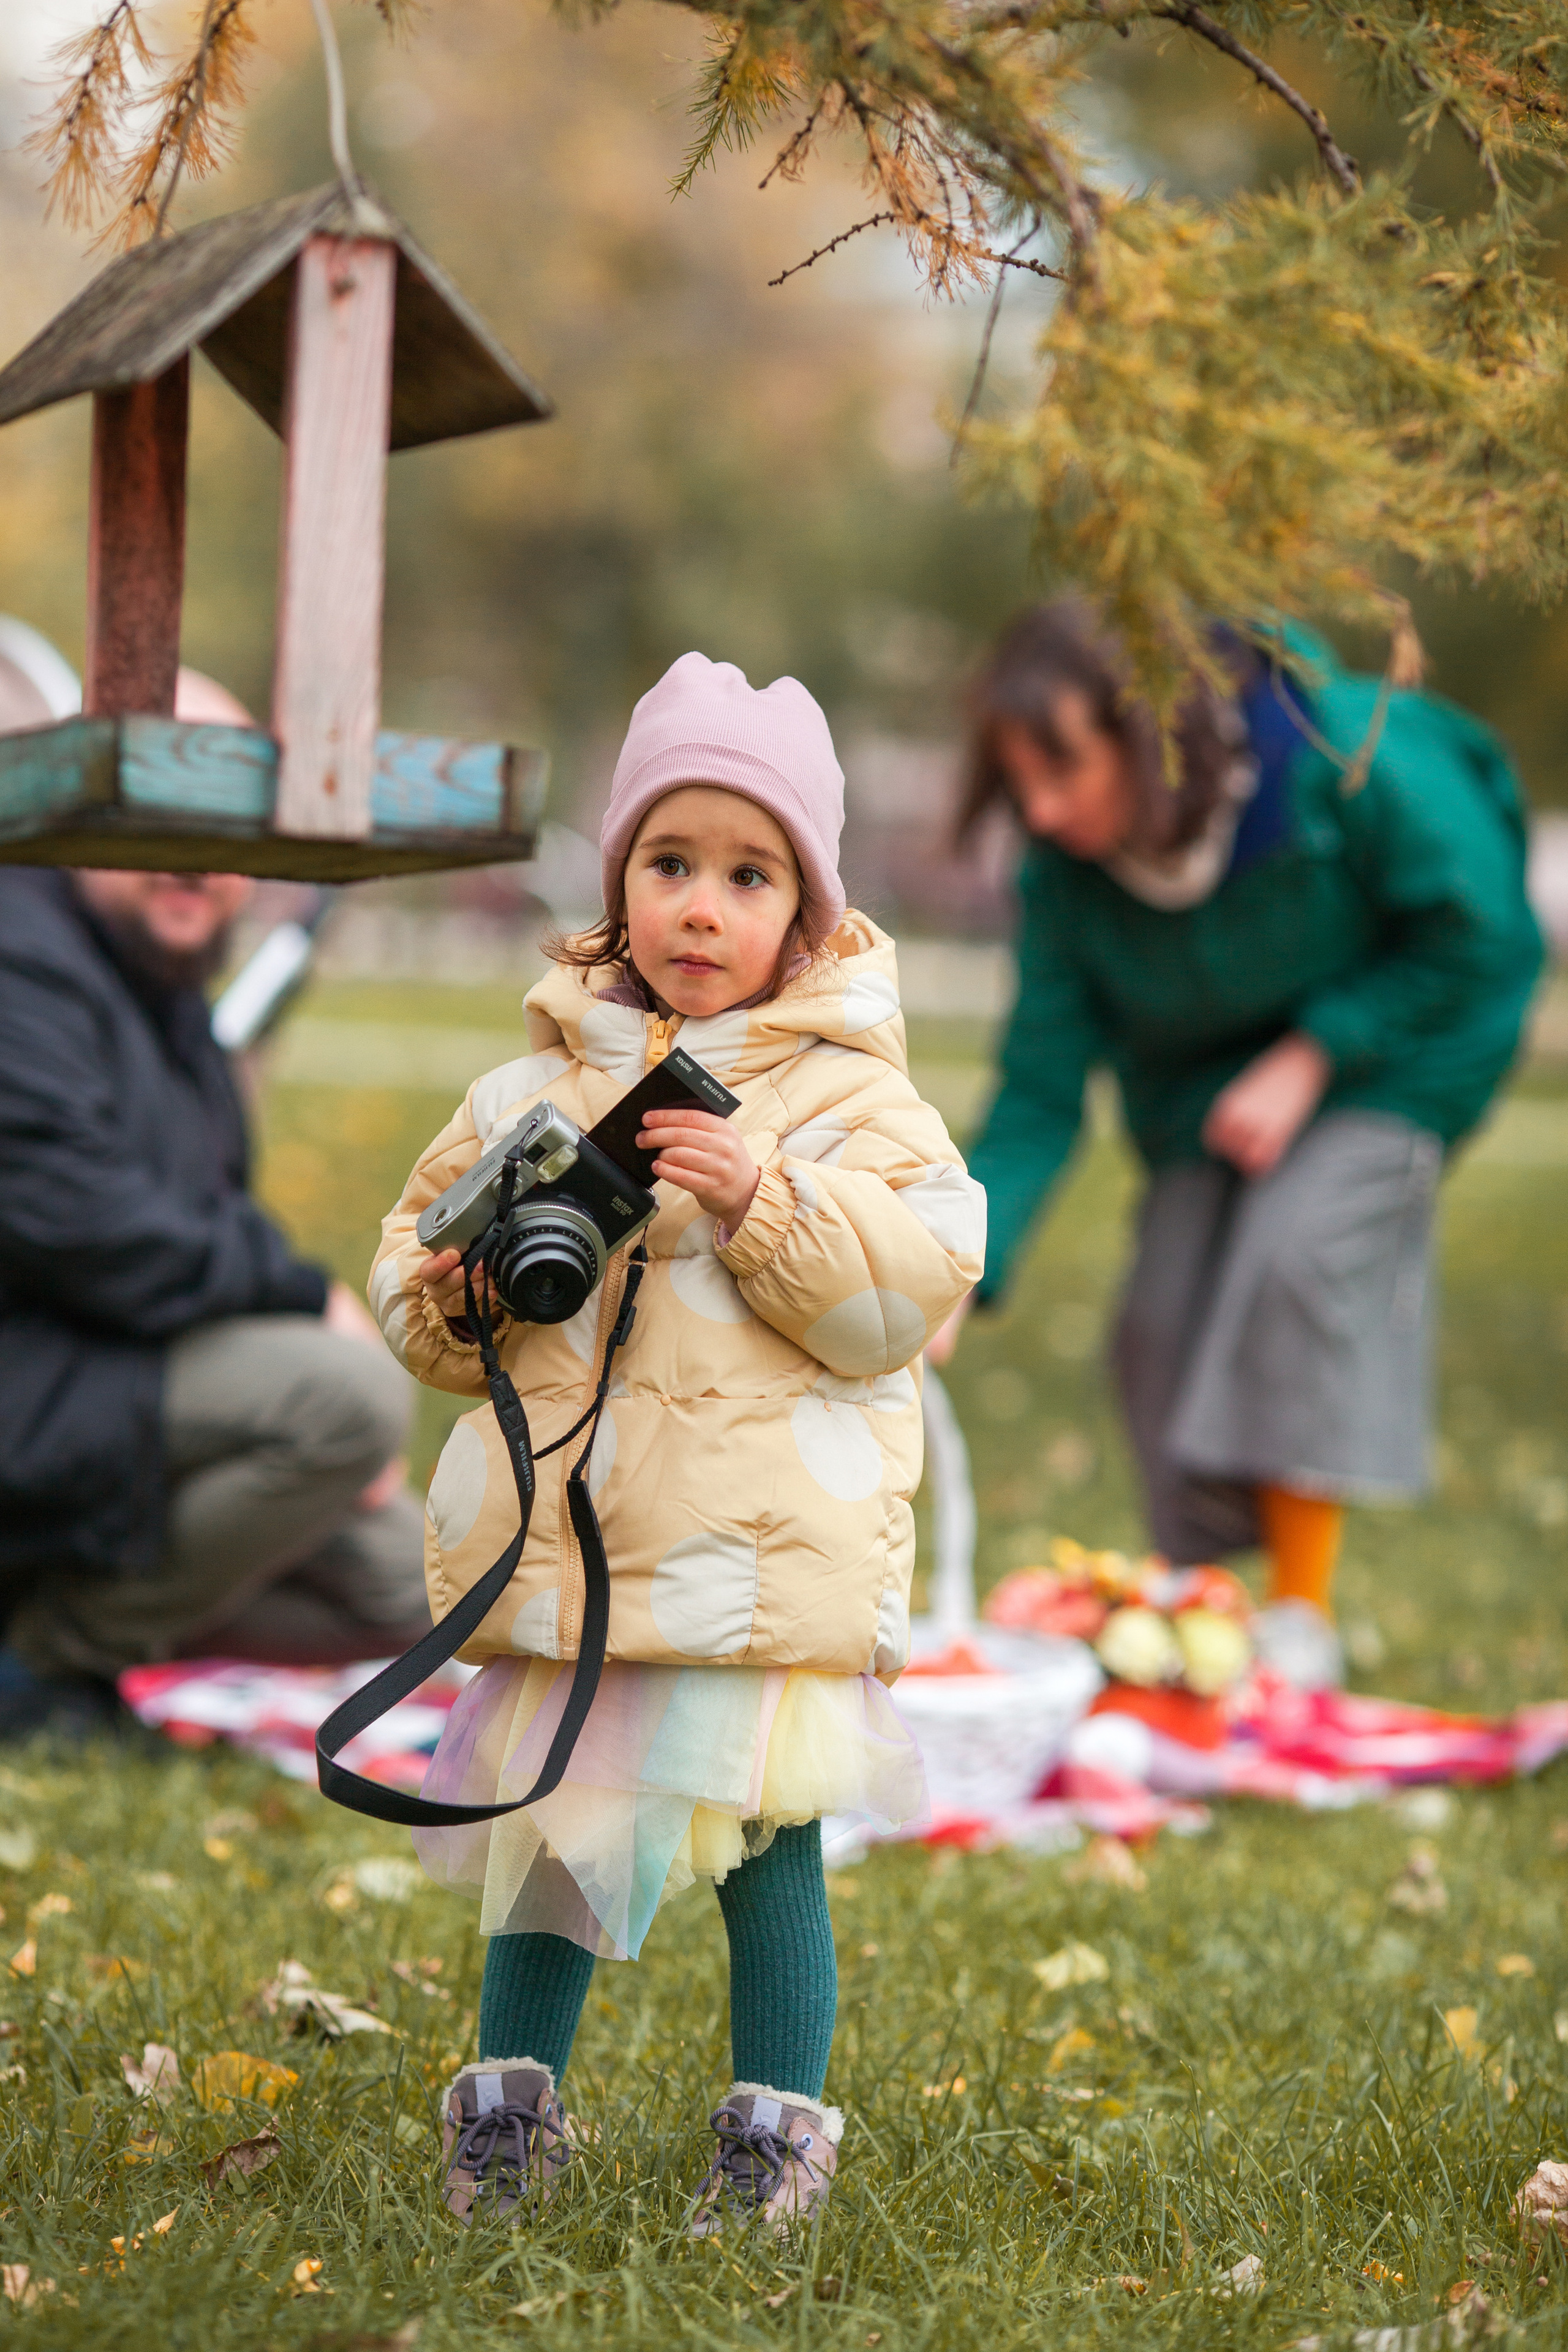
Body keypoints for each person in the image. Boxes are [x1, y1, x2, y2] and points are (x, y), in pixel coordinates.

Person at [369, 652, 984, 2229]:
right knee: (549, 1846)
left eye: (746, 873)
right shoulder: (534, 1084)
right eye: (668, 864)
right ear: (618, 882)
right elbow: (413, 1277)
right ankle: (510, 2115)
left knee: (769, 1848)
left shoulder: (858, 1105)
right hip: (580, 1561)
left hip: (752, 1575)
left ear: (809, 915)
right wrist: (462, 1290)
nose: (700, 908)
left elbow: (908, 1287)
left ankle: (776, 2130)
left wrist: (756, 1198)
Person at [935, 603, 1543, 1685]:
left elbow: (1480, 926)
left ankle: (1300, 1618)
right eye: (1018, 779)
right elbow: (1038, 1090)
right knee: (1156, 1319)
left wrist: (1318, 1051)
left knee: (1300, 1255)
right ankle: (1210, 1619)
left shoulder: (1341, 757)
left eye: (1064, 769)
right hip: (1211, 1096)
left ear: (1150, 729)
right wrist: (953, 1271)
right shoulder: (1062, 875)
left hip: (1404, 1048)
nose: (1040, 807)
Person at [0, 671, 431, 1740]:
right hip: (34, 1386)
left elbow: (188, 1214)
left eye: (229, 819)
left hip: (103, 1396)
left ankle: (60, 1626)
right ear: (93, 800)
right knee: (346, 1400)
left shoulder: (165, 982)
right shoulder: (17, 945)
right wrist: (299, 1296)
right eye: (168, 810)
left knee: (416, 1585)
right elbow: (84, 1222)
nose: (197, 854)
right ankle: (44, 1664)